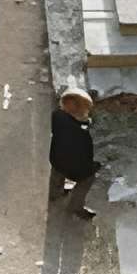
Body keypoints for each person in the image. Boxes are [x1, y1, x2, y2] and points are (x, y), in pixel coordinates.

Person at [49, 88, 101, 219]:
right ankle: (75, 207)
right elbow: (84, 158)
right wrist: (94, 167)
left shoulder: (57, 116)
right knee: (88, 179)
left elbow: (73, 122)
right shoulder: (82, 135)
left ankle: (54, 193)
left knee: (56, 173)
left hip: (56, 159)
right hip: (74, 168)